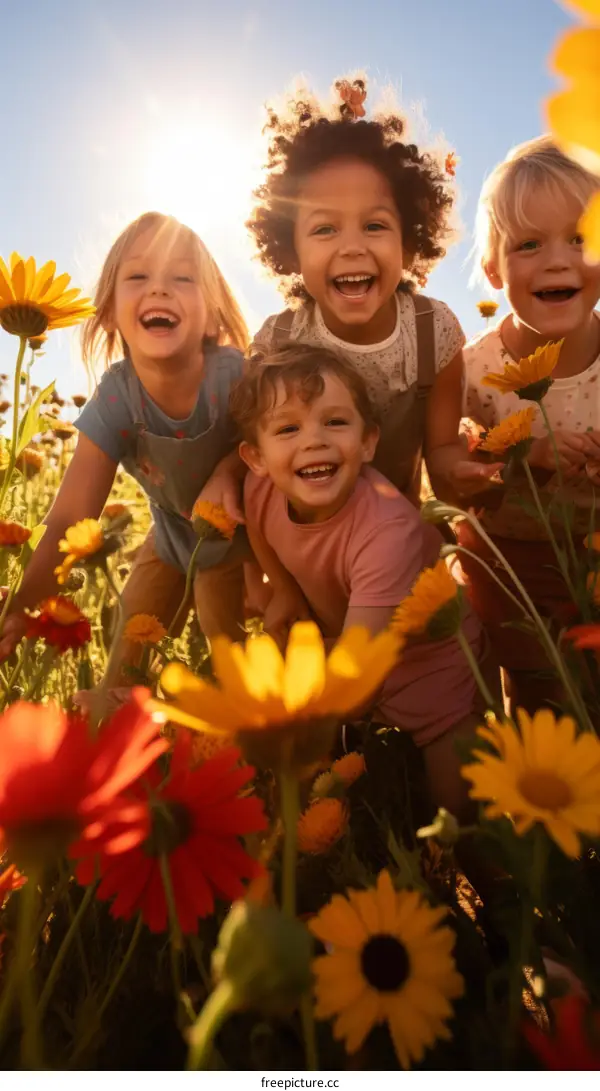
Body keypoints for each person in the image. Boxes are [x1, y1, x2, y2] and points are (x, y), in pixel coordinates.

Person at [230, 343, 487, 819]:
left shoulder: (387, 530)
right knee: (326, 799)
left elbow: (354, 688)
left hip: (430, 661)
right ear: (255, 458)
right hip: (347, 639)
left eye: (335, 422)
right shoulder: (260, 488)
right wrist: (283, 589)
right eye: (288, 429)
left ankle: (501, 880)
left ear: (368, 442)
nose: (314, 442)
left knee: (459, 799)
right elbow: (258, 528)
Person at [0, 211, 252, 671]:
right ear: (110, 312)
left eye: (182, 277)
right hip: (170, 536)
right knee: (125, 652)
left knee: (229, 661)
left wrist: (228, 469)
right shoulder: (117, 398)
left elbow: (280, 443)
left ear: (213, 313)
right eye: (138, 276)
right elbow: (69, 520)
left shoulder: (234, 376)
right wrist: (18, 605)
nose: (159, 288)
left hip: (237, 549)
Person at [245, 73, 502, 508]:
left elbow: (440, 452)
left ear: (408, 241)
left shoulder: (431, 334)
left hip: (397, 525)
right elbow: (254, 458)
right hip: (305, 533)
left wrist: (460, 470)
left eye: (374, 225)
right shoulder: (278, 342)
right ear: (292, 249)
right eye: (324, 228)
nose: (351, 247)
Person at [428, 137, 600, 714]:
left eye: (580, 239)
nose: (558, 260)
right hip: (511, 558)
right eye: (530, 244)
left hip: (594, 549)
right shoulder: (475, 365)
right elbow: (448, 469)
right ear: (493, 271)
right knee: (538, 687)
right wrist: (524, 458)